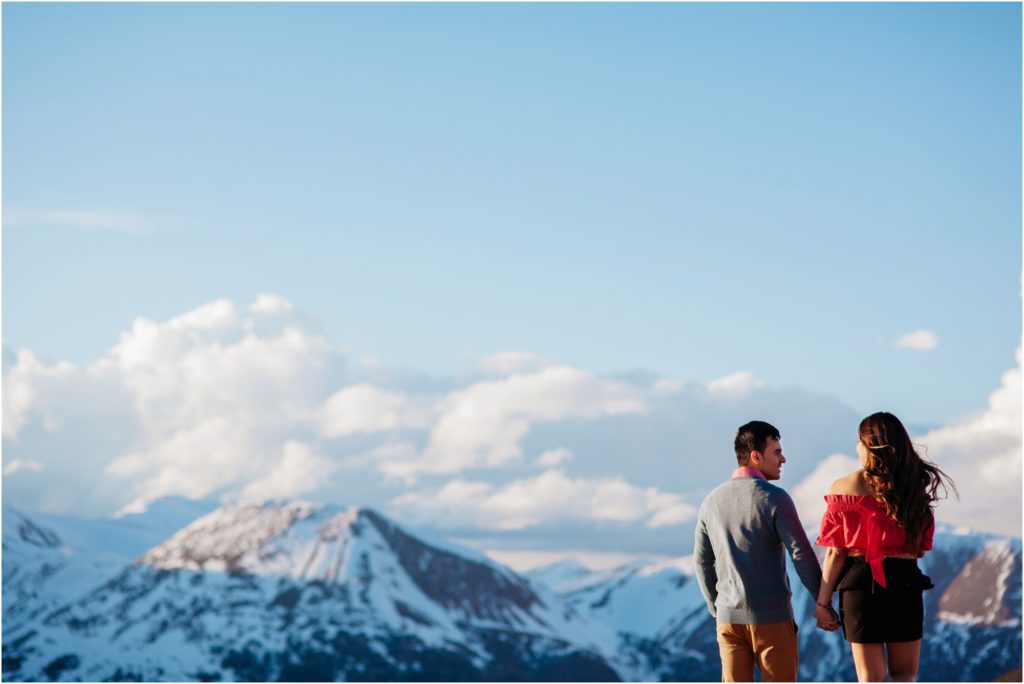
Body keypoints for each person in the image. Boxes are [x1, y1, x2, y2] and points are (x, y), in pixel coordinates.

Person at [815, 412, 958, 682]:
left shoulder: (844, 488)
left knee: (870, 677)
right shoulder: (914, 487)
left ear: (867, 445)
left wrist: (823, 603)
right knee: (905, 674)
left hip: (859, 584)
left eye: (858, 442)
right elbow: (919, 549)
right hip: (905, 582)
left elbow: (835, 551)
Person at [694, 420, 838, 683]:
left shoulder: (710, 501)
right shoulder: (774, 498)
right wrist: (823, 602)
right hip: (771, 618)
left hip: (728, 621)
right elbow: (801, 553)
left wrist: (718, 608)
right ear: (755, 456)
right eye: (776, 452)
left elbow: (702, 562)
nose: (783, 459)